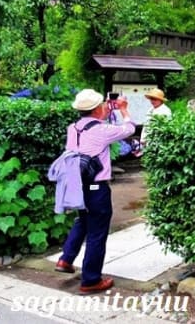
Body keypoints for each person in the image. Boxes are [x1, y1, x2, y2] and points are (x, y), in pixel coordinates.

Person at [55, 89, 135, 294]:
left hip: (78, 186)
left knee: (83, 219)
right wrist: (124, 110)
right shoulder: (101, 130)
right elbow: (129, 129)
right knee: (97, 233)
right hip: (95, 187)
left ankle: (66, 259)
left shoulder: (72, 128)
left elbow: (94, 127)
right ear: (97, 108)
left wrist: (105, 112)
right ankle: (91, 280)